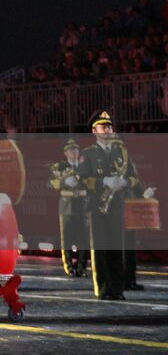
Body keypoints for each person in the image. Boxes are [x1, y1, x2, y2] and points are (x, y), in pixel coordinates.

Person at [78, 110, 154, 300]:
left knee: (116, 249)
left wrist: (126, 184)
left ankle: (117, 289)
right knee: (101, 250)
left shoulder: (121, 153)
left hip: (116, 207)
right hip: (97, 207)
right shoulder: (88, 154)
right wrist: (104, 181)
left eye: (110, 126)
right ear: (95, 130)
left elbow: (133, 177)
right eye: (104, 126)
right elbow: (82, 179)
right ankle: (103, 288)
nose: (108, 130)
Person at [48, 137, 87, 277]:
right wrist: (64, 181)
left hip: (82, 205)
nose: (74, 152)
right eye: (70, 149)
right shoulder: (60, 167)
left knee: (83, 239)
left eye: (76, 149)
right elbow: (50, 184)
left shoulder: (85, 167)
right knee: (67, 239)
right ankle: (69, 266)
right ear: (65, 152)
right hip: (67, 206)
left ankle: (82, 267)